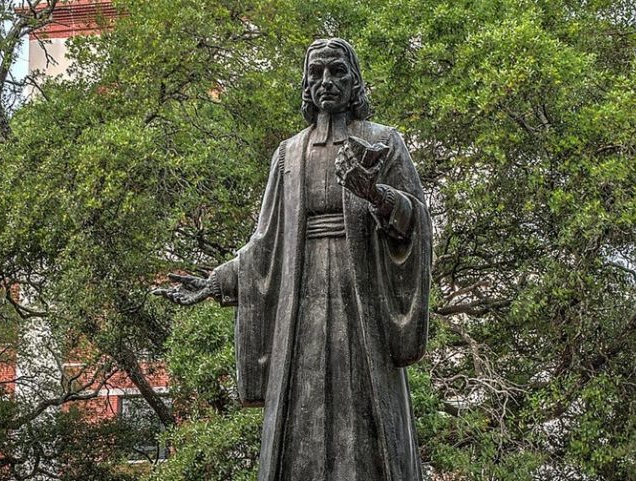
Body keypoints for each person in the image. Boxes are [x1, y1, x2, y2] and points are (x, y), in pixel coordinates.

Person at [155, 37, 432, 481]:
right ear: (306, 82)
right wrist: (219, 279)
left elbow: (414, 222)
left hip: (358, 303)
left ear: (354, 80)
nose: (326, 81)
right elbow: (267, 242)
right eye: (317, 72)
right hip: (299, 310)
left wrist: (373, 193)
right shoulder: (288, 154)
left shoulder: (383, 142)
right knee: (299, 416)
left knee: (363, 416)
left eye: (337, 71)